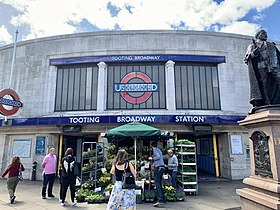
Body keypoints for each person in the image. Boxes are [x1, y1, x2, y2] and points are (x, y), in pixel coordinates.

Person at [244, 29, 280, 111]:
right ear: (258, 35)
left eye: (266, 33)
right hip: (261, 66)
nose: (265, 35)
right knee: (264, 84)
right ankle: (267, 102)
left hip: (274, 66)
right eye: (263, 33)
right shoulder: (252, 45)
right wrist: (255, 52)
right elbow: (247, 57)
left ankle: (277, 100)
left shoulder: (271, 45)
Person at [148, 141, 165, 208]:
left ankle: (160, 200)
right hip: (161, 167)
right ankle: (163, 199)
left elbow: (157, 157)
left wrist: (152, 158)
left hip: (158, 167)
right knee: (160, 183)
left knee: (157, 183)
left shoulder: (154, 150)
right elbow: (161, 157)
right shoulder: (159, 150)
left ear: (151, 146)